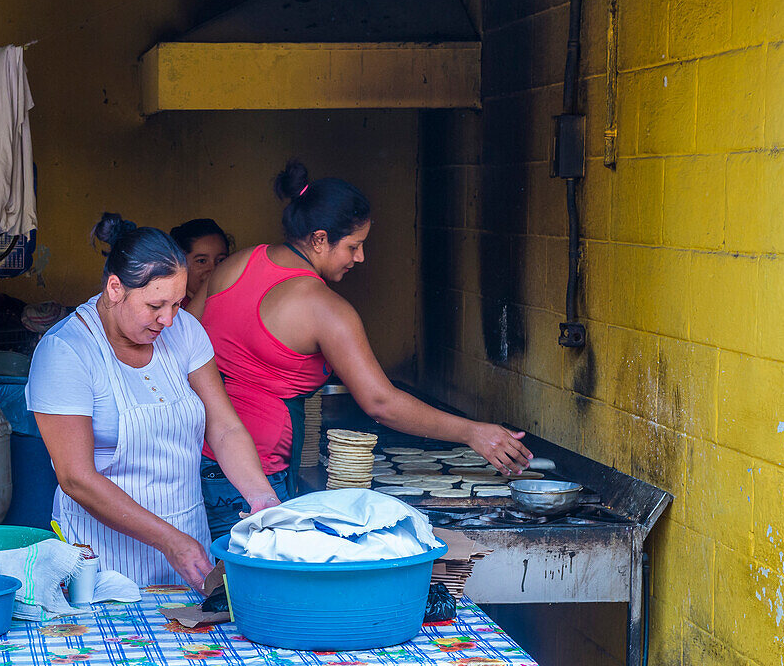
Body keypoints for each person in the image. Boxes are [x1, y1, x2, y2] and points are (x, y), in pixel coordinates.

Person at [187, 161, 532, 539]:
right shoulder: (325, 308)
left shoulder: (235, 264)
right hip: (255, 474)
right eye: (354, 245)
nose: (360, 257)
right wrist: (473, 432)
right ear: (319, 239)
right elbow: (380, 403)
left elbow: (183, 341)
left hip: (197, 457)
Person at [27, 214, 281, 591]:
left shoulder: (185, 333)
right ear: (115, 289)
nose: (168, 319)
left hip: (188, 544)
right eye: (155, 305)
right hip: (101, 559)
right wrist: (168, 540)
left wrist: (262, 498)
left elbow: (224, 427)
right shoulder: (66, 351)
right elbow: (76, 478)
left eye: (178, 304)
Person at [169, 218, 231, 306]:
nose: (213, 269)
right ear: (180, 263)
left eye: (221, 260)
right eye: (202, 261)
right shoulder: (172, 309)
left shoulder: (234, 302)